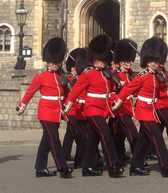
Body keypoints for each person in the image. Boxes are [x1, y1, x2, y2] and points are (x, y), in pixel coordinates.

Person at [114, 37, 168, 177]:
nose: (158, 63)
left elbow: (160, 92)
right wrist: (117, 102)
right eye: (155, 61)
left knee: (142, 140)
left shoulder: (157, 75)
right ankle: (165, 165)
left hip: (152, 110)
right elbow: (128, 89)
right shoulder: (142, 76)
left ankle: (135, 166)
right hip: (144, 111)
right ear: (149, 63)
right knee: (157, 136)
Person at [64, 34, 125, 178]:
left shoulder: (106, 73)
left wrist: (119, 86)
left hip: (103, 109)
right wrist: (67, 106)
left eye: (104, 60)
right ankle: (113, 165)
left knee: (93, 138)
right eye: (100, 60)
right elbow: (76, 91)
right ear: (94, 59)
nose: (102, 63)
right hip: (92, 110)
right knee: (106, 133)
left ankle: (87, 167)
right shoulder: (88, 73)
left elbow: (110, 89)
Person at [16, 37, 73, 179]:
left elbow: (66, 92)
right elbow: (30, 92)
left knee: (46, 142)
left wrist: (66, 106)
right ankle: (62, 167)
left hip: (57, 111)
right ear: (48, 62)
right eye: (54, 63)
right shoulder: (41, 76)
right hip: (46, 111)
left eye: (58, 62)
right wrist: (21, 107)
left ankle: (40, 169)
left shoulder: (61, 74)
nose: (56, 65)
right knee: (55, 140)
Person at [111, 39, 139, 162]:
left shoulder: (129, 75)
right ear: (121, 62)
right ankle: (138, 156)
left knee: (119, 134)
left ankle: (119, 153)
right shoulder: (115, 75)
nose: (130, 63)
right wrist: (117, 85)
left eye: (130, 61)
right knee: (132, 131)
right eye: (127, 61)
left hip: (127, 106)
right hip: (120, 108)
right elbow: (111, 88)